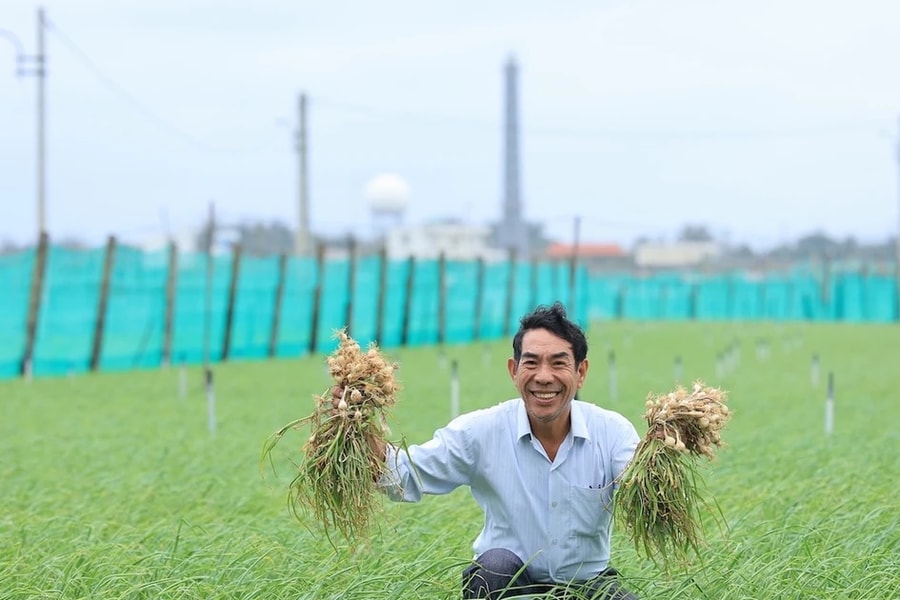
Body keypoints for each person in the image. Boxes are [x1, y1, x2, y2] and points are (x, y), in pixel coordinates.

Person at [341, 302, 641, 599]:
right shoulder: (481, 431)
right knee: (493, 567)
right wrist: (354, 421)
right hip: (508, 581)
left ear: (581, 372)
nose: (544, 377)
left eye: (559, 363)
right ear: (514, 370)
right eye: (532, 362)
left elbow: (645, 491)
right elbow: (404, 474)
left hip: (586, 583)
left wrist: (663, 453)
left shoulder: (613, 432)